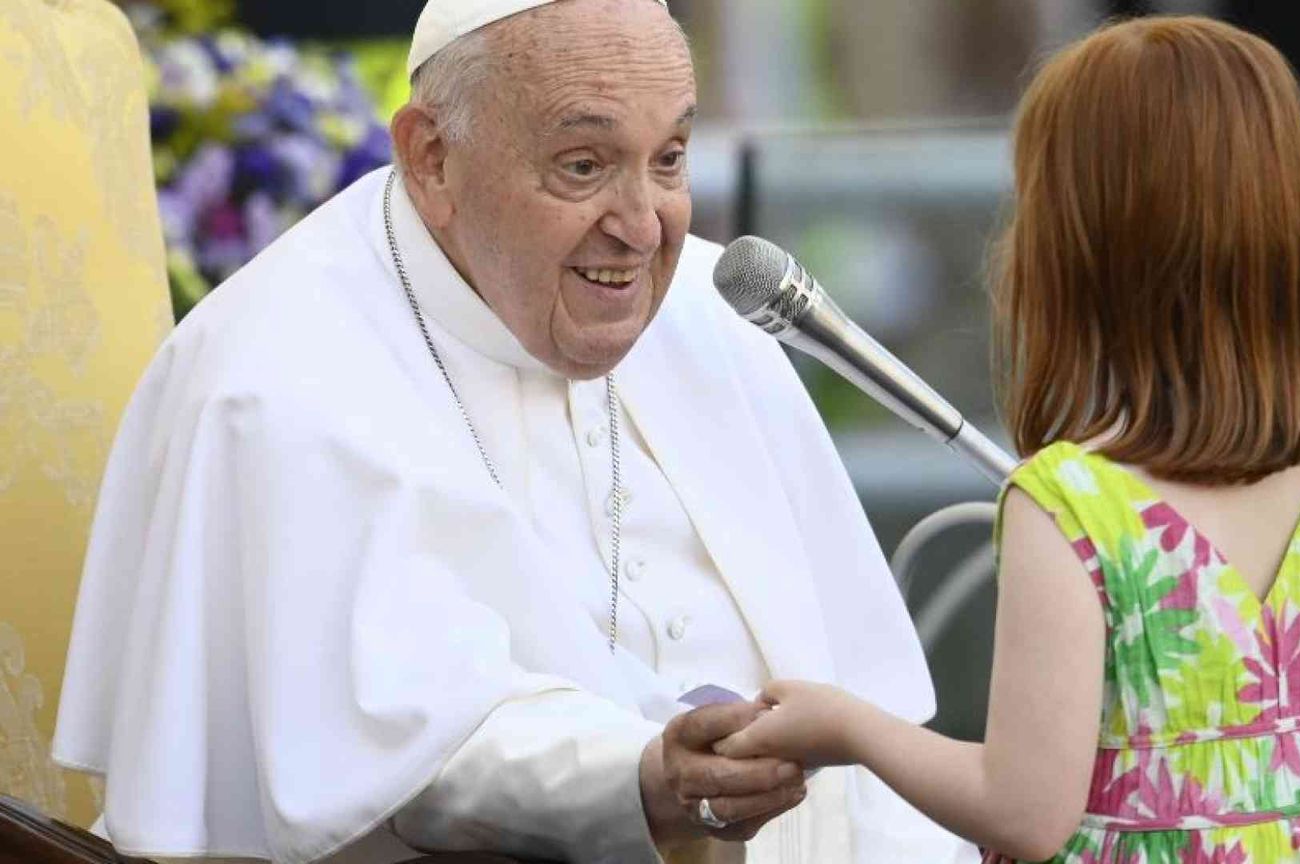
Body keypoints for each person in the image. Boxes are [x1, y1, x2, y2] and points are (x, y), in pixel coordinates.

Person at [49, 1, 975, 862]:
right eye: (584, 165)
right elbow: (379, 750)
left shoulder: (706, 308)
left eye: (670, 159)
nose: (643, 227)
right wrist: (643, 776)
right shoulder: (270, 372)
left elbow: (867, 704)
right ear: (431, 159)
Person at [715, 16, 1300, 863]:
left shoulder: (1069, 507)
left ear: (1070, 248)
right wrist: (1259, 829)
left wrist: (847, 726)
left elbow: (1026, 811)